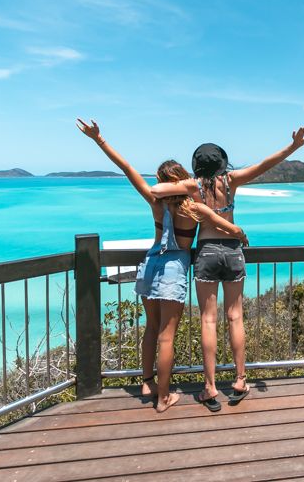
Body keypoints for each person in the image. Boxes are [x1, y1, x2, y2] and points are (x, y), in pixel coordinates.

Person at [76, 118, 248, 412]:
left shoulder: (155, 202)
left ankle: (147, 381)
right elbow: (226, 226)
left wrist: (100, 140)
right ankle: (163, 396)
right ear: (182, 178)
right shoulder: (194, 207)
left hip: (150, 263)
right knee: (167, 335)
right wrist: (240, 234)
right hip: (174, 267)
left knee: (151, 329)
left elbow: (128, 170)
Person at [151, 127, 304, 411]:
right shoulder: (231, 180)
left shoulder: (194, 186)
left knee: (208, 320)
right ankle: (239, 380)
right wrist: (292, 148)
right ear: (222, 162)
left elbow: (156, 190)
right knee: (236, 317)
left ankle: (209, 387)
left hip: (207, 252)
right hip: (233, 252)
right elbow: (264, 165)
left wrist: (182, 183)